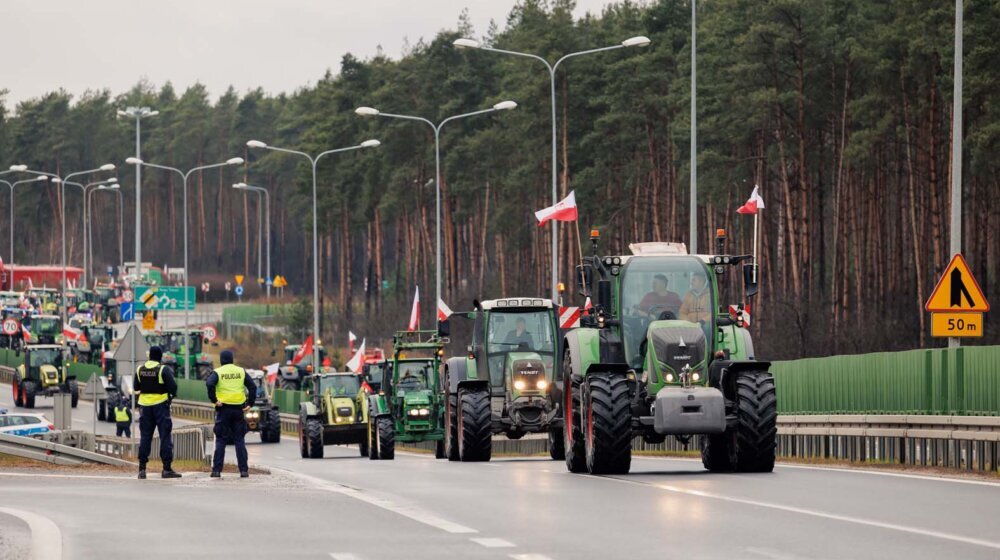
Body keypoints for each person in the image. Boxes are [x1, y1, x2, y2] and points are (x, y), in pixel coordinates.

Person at [205, 350, 256, 478]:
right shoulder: (240, 371)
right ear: (232, 359)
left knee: (221, 440)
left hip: (223, 410)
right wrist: (250, 403)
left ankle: (217, 471)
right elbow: (253, 386)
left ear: (221, 360)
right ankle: (243, 471)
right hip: (239, 410)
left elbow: (209, 383)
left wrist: (214, 400)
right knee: (239, 440)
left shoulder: (218, 372)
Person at [135, 345, 180, 479]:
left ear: (149, 356)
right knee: (165, 437)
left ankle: (142, 469)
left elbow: (135, 386)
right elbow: (173, 387)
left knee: (145, 437)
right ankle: (167, 469)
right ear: (160, 357)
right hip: (160, 407)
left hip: (144, 407)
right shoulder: (163, 370)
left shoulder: (140, 369)